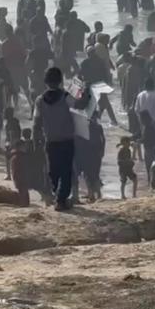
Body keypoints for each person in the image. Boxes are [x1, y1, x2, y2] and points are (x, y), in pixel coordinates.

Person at [32, 67, 90, 211]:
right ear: (60, 81)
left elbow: (36, 123)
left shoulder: (40, 100)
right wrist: (86, 90)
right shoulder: (66, 97)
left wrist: (35, 140)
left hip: (50, 141)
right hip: (66, 140)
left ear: (46, 82)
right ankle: (61, 200)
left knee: (53, 170)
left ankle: (55, 194)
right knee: (66, 171)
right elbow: (81, 105)